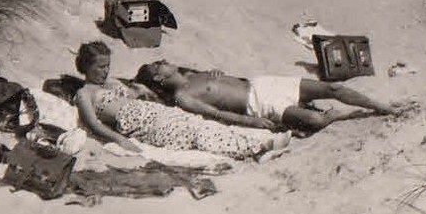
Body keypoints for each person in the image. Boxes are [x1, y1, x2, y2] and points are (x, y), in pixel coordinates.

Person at [72, 41, 286, 161]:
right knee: (195, 136)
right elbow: (93, 124)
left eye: (107, 65)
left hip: (153, 111)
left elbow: (141, 90)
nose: (105, 70)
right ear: (86, 66)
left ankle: (259, 140)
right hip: (141, 125)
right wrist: (120, 141)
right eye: (100, 67)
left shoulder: (111, 82)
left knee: (200, 124)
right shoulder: (85, 93)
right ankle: (258, 147)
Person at [134, 60, 407, 135]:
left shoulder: (189, 72)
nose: (165, 61)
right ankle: (337, 115)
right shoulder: (183, 96)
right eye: (159, 65)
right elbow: (215, 114)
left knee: (331, 89)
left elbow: (220, 81)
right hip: (258, 105)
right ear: (159, 78)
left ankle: (380, 106)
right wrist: (251, 123)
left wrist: (214, 72)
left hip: (263, 84)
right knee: (315, 120)